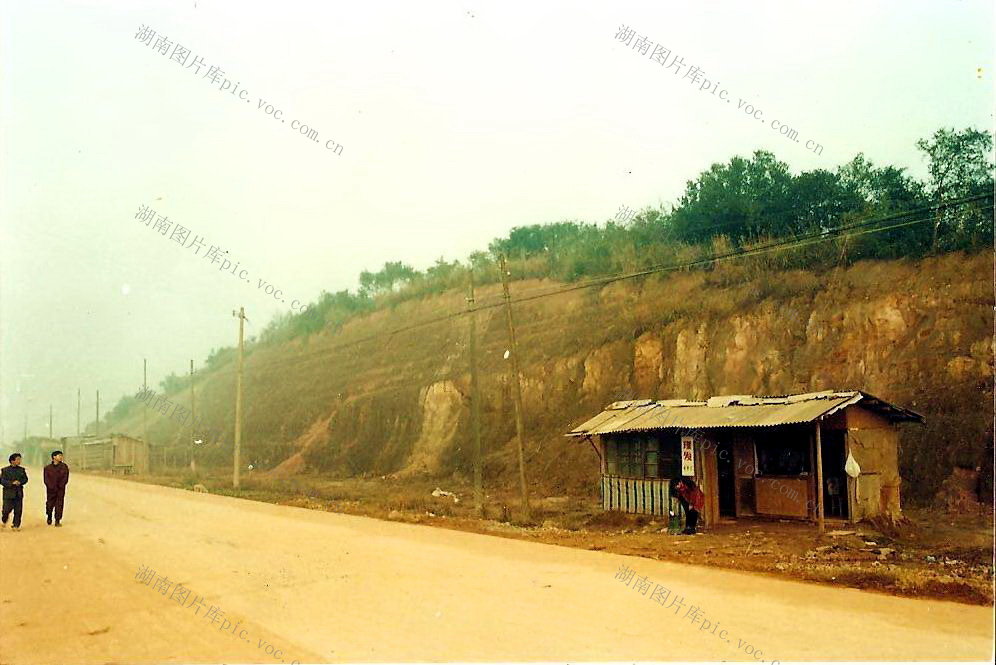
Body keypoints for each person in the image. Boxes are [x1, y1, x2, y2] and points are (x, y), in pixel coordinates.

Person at [1, 453, 29, 531]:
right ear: (12, 461)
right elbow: (2, 480)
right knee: (6, 510)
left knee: (18, 510)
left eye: (20, 459)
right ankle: (4, 520)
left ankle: (16, 525)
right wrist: (11, 483)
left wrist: (20, 482)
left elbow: (25, 479)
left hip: (18, 493)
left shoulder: (22, 470)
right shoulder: (5, 470)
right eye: (17, 459)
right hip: (8, 493)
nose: (19, 461)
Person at [44, 450, 70, 527]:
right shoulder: (47, 468)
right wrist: (51, 486)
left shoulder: (64, 467)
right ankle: (49, 516)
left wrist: (61, 486)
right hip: (50, 490)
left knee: (59, 504)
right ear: (54, 457)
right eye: (59, 455)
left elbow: (65, 478)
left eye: (61, 456)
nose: (61, 457)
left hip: (60, 489)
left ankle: (57, 520)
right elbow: (46, 479)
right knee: (49, 504)